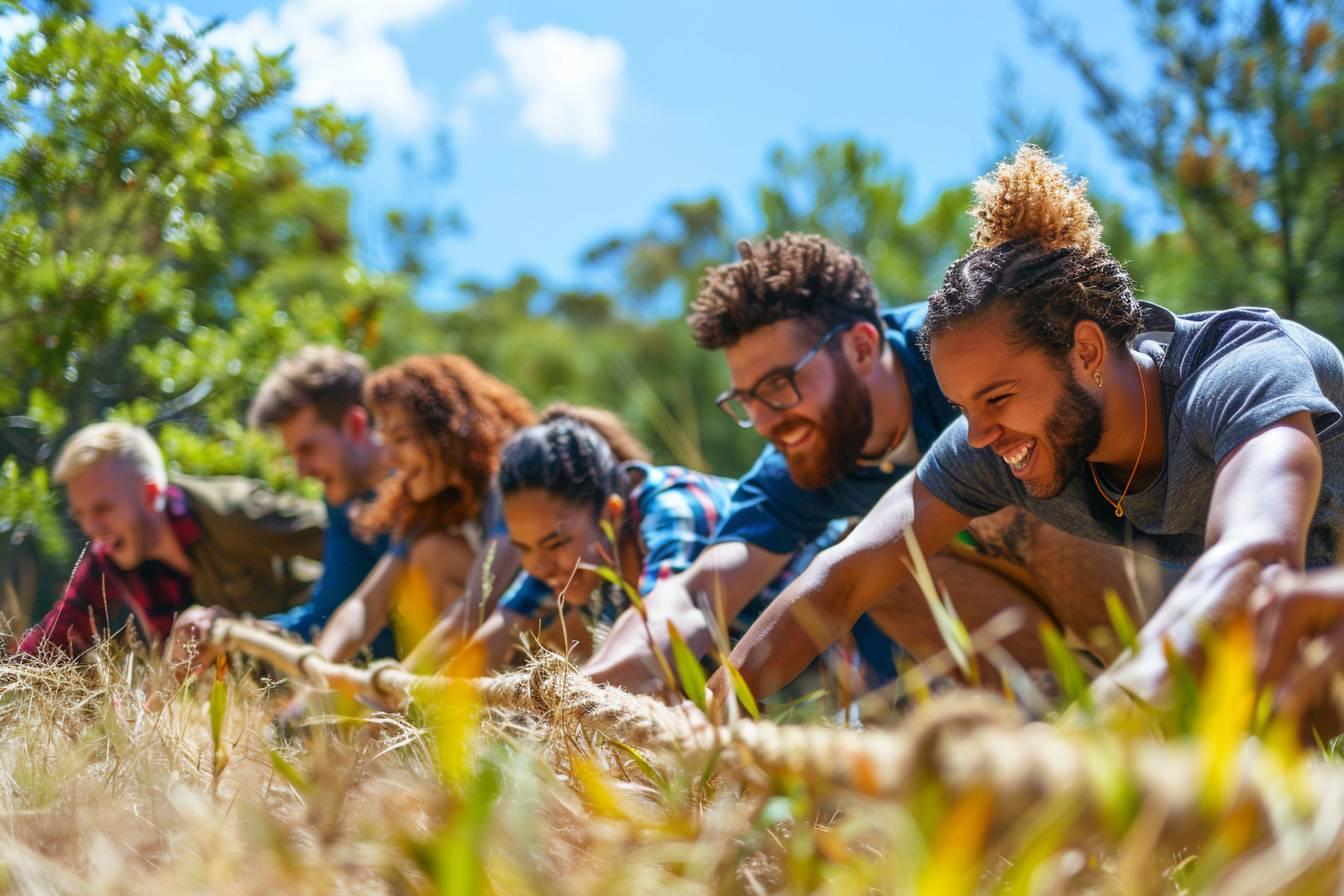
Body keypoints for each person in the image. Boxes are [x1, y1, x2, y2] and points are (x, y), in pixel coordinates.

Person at [708, 145, 1344, 709]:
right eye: (963, 408)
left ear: (1087, 353)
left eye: (998, 398)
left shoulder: (1240, 370)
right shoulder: (998, 440)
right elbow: (846, 576)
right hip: (1262, 633)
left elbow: (1257, 554)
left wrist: (1097, 733)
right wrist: (717, 710)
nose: (979, 434)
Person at [584, 232, 1143, 695]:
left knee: (1021, 485)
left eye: (780, 385)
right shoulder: (797, 460)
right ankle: (1059, 710)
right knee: (874, 563)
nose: (769, 420)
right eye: (747, 401)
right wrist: (588, 691)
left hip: (1152, 555)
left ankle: (1155, 690)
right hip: (1024, 620)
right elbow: (696, 591)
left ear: (859, 346)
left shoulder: (968, 352)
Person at [459, 405, 838, 676]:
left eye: (554, 543)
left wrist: (571, 709)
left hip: (842, 645)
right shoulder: (567, 555)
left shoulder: (674, 510)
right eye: (524, 549)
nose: (538, 566)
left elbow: (659, 637)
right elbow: (496, 633)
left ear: (611, 512)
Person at [16, 422, 325, 657]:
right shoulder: (110, 553)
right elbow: (58, 632)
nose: (91, 528)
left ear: (151, 495)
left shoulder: (234, 512)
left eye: (103, 509)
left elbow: (345, 534)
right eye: (80, 514)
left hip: (322, 655)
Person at [171, 346, 397, 661]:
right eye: (294, 455)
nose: (302, 471)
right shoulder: (345, 503)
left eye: (308, 449)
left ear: (355, 425)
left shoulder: (427, 481)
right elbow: (325, 617)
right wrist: (235, 633)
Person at [311, 353, 534, 665]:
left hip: (555, 640)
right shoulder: (433, 496)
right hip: (500, 641)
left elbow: (477, 604)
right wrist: (316, 677)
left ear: (448, 430)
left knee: (435, 555)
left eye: (401, 439)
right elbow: (366, 604)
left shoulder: (510, 477)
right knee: (432, 551)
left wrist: (391, 692)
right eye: (384, 440)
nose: (389, 459)